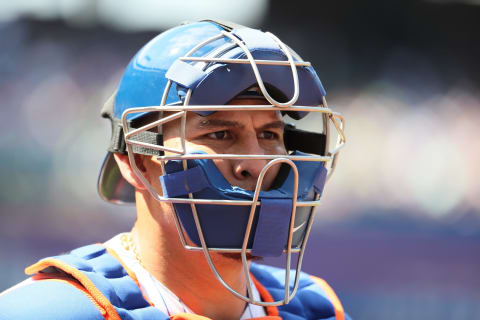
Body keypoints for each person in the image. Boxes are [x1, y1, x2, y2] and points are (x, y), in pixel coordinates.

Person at [0, 20, 348, 320]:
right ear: (137, 161)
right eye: (220, 134)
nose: (256, 163)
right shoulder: (52, 311)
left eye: (269, 134)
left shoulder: (316, 308)